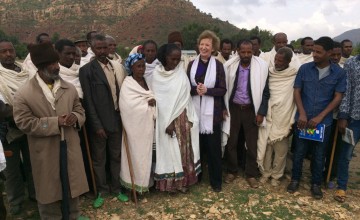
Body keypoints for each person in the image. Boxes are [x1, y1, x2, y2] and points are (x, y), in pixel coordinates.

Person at [13, 42, 88, 219]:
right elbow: (24, 123)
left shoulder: (69, 88)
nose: (56, 67)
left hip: (70, 148)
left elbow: (80, 110)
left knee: (72, 193)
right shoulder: (24, 93)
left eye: (56, 63)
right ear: (40, 67)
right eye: (51, 64)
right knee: (49, 197)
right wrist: (55, 123)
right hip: (45, 152)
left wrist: (75, 118)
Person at [287, 37, 346, 200]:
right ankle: (295, 179)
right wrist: (303, 113)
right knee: (299, 152)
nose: (314, 54)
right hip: (303, 120)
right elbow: (297, 91)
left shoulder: (339, 73)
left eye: (319, 52)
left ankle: (316, 184)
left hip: (323, 123)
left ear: (329, 53)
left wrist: (320, 116)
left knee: (319, 155)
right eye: (314, 51)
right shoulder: (305, 69)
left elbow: (338, 97)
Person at [79, 34, 128, 207]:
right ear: (91, 48)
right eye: (98, 48)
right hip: (99, 123)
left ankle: (116, 188)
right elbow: (88, 102)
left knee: (116, 156)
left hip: (116, 119)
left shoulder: (116, 67)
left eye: (104, 48)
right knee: (99, 159)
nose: (101, 51)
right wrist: (97, 125)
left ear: (109, 48)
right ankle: (101, 190)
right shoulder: (86, 71)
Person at [153, 43, 200, 193]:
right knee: (168, 150)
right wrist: (168, 122)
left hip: (182, 118)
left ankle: (183, 182)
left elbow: (184, 97)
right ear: (164, 58)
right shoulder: (156, 76)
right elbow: (160, 102)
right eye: (173, 59)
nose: (175, 63)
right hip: (164, 122)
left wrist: (177, 120)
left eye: (178, 60)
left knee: (183, 151)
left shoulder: (180, 73)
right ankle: (170, 184)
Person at [223, 40, 269, 188]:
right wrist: (224, 107)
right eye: (243, 52)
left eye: (249, 52)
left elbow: (266, 92)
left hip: (251, 110)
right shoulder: (230, 66)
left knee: (251, 144)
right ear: (238, 51)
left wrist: (261, 112)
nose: (247, 55)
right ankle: (232, 171)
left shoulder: (262, 66)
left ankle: (251, 174)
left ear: (253, 51)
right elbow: (224, 89)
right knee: (232, 142)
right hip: (233, 109)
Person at [187, 30, 226, 192]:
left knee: (213, 149)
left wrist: (207, 91)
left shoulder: (218, 66)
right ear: (198, 46)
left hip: (213, 115)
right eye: (202, 44)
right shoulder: (191, 64)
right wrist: (196, 90)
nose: (204, 47)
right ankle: (198, 176)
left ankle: (216, 181)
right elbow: (186, 89)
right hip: (195, 112)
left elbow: (222, 90)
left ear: (213, 47)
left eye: (207, 45)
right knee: (197, 147)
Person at [0, 40, 35, 215]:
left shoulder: (25, 72)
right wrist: (20, 116)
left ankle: (36, 197)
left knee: (33, 164)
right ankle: (17, 205)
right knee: (12, 171)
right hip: (8, 131)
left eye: (10, 50)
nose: (8, 54)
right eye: (3, 51)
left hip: (30, 126)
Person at [257, 47, 297, 187]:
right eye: (276, 59)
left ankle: (276, 175)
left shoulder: (293, 75)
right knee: (266, 147)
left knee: (280, 150)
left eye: (281, 60)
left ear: (289, 61)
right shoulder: (269, 73)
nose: (277, 63)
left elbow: (293, 96)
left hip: (283, 115)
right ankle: (265, 173)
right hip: (269, 113)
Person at [119, 53, 156, 197]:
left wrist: (152, 101)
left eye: (143, 66)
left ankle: (147, 183)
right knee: (136, 156)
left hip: (147, 127)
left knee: (148, 155)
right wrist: (146, 104)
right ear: (131, 67)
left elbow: (151, 96)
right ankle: (134, 185)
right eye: (138, 66)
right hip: (134, 129)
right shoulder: (128, 84)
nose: (142, 69)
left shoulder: (147, 81)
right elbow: (127, 107)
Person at [334, 53, 360, 203]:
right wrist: (343, 115)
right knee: (346, 154)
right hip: (354, 117)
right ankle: (341, 187)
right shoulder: (351, 63)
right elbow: (347, 90)